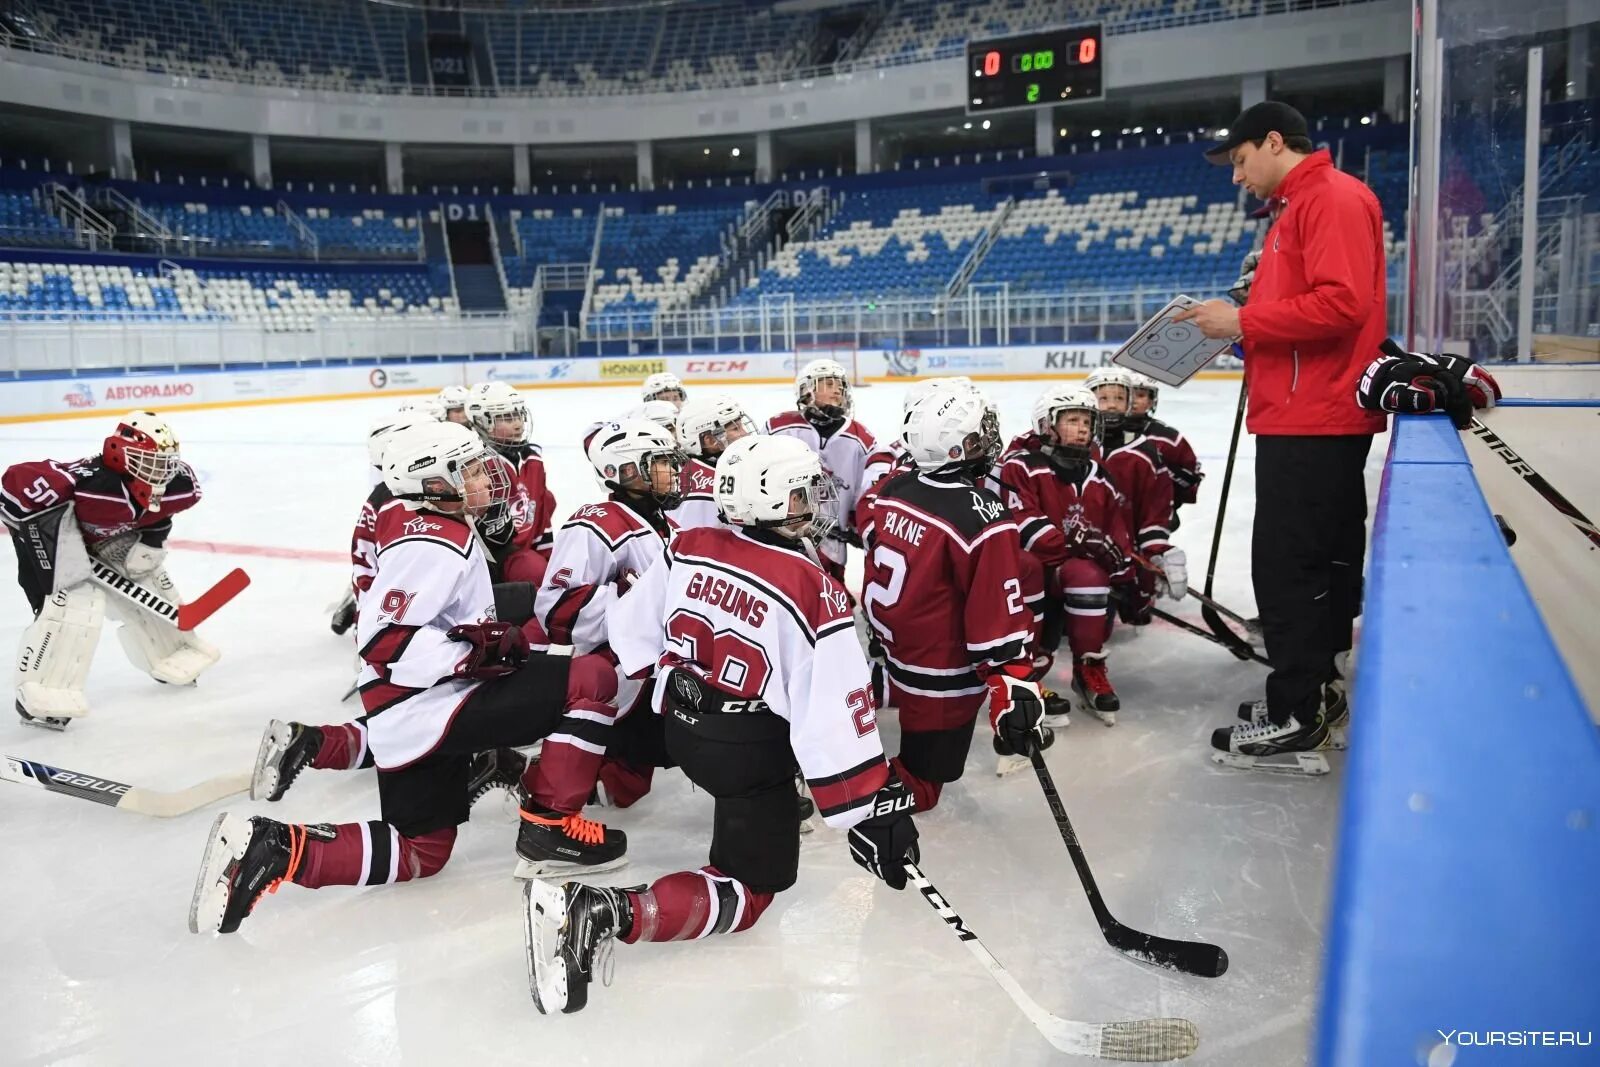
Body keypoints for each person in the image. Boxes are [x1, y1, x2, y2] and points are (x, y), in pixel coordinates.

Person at [522, 434, 956, 1015]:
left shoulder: (690, 542)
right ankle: (603, 912)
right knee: (751, 888)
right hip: (747, 757)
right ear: (771, 501)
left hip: (681, 723)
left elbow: (630, 633)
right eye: (803, 492)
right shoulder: (814, 591)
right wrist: (867, 812)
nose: (814, 501)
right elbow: (834, 714)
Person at [191, 422, 628, 937]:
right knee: (592, 679)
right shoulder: (435, 543)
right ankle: (550, 831)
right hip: (430, 704)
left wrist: (481, 635)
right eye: (467, 469)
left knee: (423, 851)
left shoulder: (417, 516)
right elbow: (384, 640)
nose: (483, 476)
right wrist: (471, 652)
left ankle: (275, 849)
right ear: (432, 481)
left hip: (412, 708)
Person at [1175, 100, 1386, 772]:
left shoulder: (1329, 199)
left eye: (1240, 160)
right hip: (1306, 411)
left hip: (1313, 417)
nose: (1237, 177)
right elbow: (1301, 312)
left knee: (1288, 570)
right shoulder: (1301, 207)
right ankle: (1314, 695)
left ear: (1273, 141)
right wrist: (1245, 330)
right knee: (1311, 566)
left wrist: (1241, 321)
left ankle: (1300, 716)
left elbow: (1341, 304)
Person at [861, 384, 1053, 791]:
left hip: (897, 653)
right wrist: (1013, 683)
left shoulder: (894, 488)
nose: (988, 438)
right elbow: (994, 618)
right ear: (958, 446)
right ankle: (854, 798)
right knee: (927, 782)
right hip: (943, 677)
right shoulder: (982, 515)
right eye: (979, 432)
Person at [4, 411, 214, 729]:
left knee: (148, 577)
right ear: (117, 453)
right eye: (149, 461)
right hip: (53, 530)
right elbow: (15, 492)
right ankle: (43, 690)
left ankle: (170, 652)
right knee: (73, 603)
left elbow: (157, 513)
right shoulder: (87, 484)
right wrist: (54, 568)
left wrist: (152, 545)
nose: (162, 471)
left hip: (105, 535)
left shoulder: (178, 485)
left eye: (164, 462)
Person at [534, 419, 685, 809]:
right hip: (622, 670)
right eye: (660, 463)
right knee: (631, 776)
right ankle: (533, 782)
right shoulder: (595, 523)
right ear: (626, 471)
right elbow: (556, 609)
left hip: (658, 663)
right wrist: (631, 601)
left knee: (625, 787)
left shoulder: (666, 523)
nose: (673, 471)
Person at [1001, 388, 1136, 725]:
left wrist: (1121, 562)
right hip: (1031, 572)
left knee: (1090, 575)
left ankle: (1088, 669)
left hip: (1069, 572)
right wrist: (1079, 541)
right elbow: (1023, 526)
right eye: (1073, 420)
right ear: (1047, 424)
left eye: (1087, 422)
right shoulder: (1021, 465)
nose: (1082, 429)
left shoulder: (1098, 473)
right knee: (1025, 566)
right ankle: (1024, 678)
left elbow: (1117, 530)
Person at [1084, 367, 1186, 638]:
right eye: (1103, 398)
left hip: (1131, 552)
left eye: (1119, 397)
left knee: (1136, 615)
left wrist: (1158, 549)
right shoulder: (1073, 447)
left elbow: (1156, 507)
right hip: (1084, 551)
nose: (1112, 404)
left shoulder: (1145, 451)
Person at [765, 358, 876, 582]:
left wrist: (858, 524)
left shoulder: (861, 439)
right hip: (783, 535)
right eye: (829, 383)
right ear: (806, 390)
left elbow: (863, 492)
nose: (838, 390)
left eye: (841, 385)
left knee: (830, 592)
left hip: (833, 543)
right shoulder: (778, 428)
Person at [467, 382, 557, 585]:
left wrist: (549, 559)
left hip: (526, 557)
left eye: (519, 416)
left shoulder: (533, 461)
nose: (518, 424)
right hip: (495, 561)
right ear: (483, 421)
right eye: (507, 418)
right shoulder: (476, 466)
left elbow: (541, 518)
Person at [1123, 371, 1203, 527]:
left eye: (1140, 395)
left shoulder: (1168, 438)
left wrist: (1161, 467)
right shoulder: (1102, 432)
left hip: (1154, 511)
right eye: (1127, 395)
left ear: (1152, 402)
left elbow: (1190, 479)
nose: (1132, 401)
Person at [671, 392, 755, 533]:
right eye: (736, 428)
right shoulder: (709, 488)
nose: (745, 433)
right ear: (710, 441)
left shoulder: (693, 468)